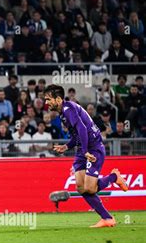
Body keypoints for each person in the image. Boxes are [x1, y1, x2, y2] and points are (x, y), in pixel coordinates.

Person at [44, 84, 128, 228]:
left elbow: (82, 129)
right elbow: (77, 134)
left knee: (90, 188)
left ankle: (114, 177)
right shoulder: (64, 112)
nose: (46, 103)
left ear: (58, 99)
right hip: (83, 149)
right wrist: (66, 146)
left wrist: (85, 151)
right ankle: (107, 219)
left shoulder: (68, 109)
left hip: (93, 148)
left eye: (48, 99)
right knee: (80, 187)